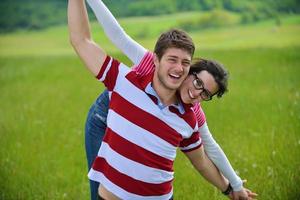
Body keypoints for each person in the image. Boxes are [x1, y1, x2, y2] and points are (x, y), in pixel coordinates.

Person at [68, 0, 242, 199]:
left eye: (205, 94)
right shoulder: (128, 79)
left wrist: (233, 187)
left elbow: (204, 155)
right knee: (102, 179)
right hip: (106, 112)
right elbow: (94, 38)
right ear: (156, 60)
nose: (197, 94)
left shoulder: (190, 116)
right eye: (172, 60)